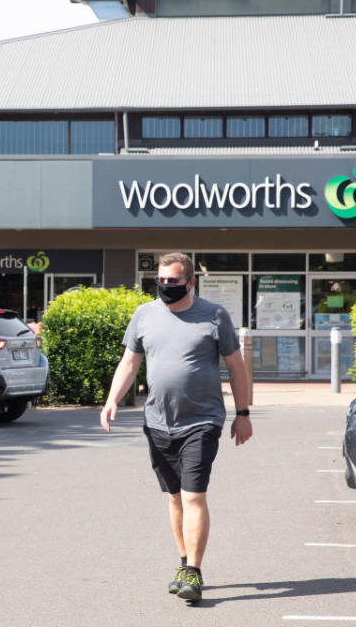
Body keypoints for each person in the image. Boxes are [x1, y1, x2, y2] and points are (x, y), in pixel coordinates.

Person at [100, 252, 251, 603]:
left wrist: (242, 413)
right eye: (162, 281)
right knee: (174, 497)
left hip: (202, 420)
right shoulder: (144, 315)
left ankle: (194, 572)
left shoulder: (214, 316)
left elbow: (236, 366)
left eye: (175, 281)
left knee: (193, 494)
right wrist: (112, 399)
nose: (167, 287)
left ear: (191, 281)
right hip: (157, 422)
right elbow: (129, 362)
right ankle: (184, 562)